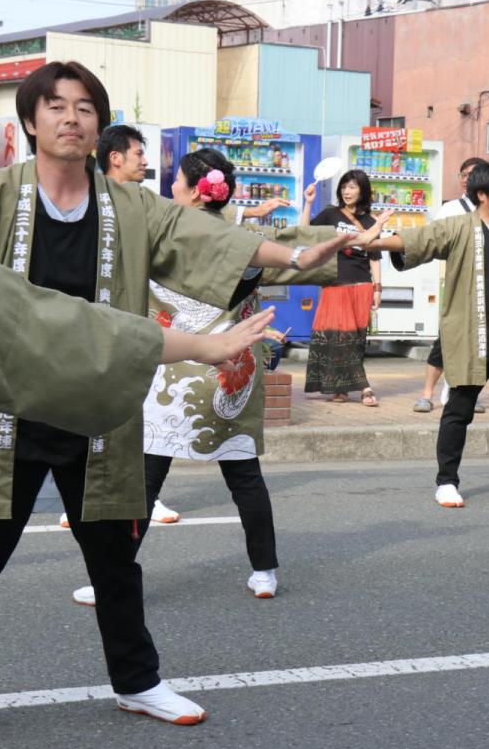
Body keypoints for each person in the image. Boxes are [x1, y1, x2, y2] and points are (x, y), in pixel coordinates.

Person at [0, 60, 355, 730]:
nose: (71, 117)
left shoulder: (130, 207)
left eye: (84, 106)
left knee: (116, 562)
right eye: (55, 106)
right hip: (6, 413)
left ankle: (137, 680)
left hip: (98, 408)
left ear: (98, 124)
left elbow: (202, 235)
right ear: (30, 121)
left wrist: (296, 257)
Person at [68, 147, 338, 608]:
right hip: (234, 369)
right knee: (245, 478)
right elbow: (304, 258)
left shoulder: (164, 239)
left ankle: (112, 579)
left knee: (146, 483)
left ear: (194, 192)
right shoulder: (245, 239)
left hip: (175, 369)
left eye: (177, 182)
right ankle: (265, 571)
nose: (170, 187)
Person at [365, 162, 489, 508]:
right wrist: (375, 241)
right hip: (475, 337)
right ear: (482, 195)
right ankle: (446, 481)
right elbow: (421, 239)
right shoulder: (459, 227)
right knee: (459, 410)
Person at [300, 169, 393, 406]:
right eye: (344, 187)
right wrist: (308, 204)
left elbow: (374, 257)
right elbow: (306, 232)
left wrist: (378, 289)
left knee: (355, 340)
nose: (346, 191)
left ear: (363, 190)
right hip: (335, 285)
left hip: (362, 286)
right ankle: (364, 387)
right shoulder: (331, 214)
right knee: (338, 338)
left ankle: (340, 389)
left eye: (351, 187)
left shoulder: (371, 221)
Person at [414, 156, 489, 414]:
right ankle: (426, 394)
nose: (468, 177)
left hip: (486, 287)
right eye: (464, 173)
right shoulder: (450, 209)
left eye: (474, 173)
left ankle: (465, 393)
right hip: (457, 285)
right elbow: (435, 243)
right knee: (446, 340)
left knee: (478, 344)